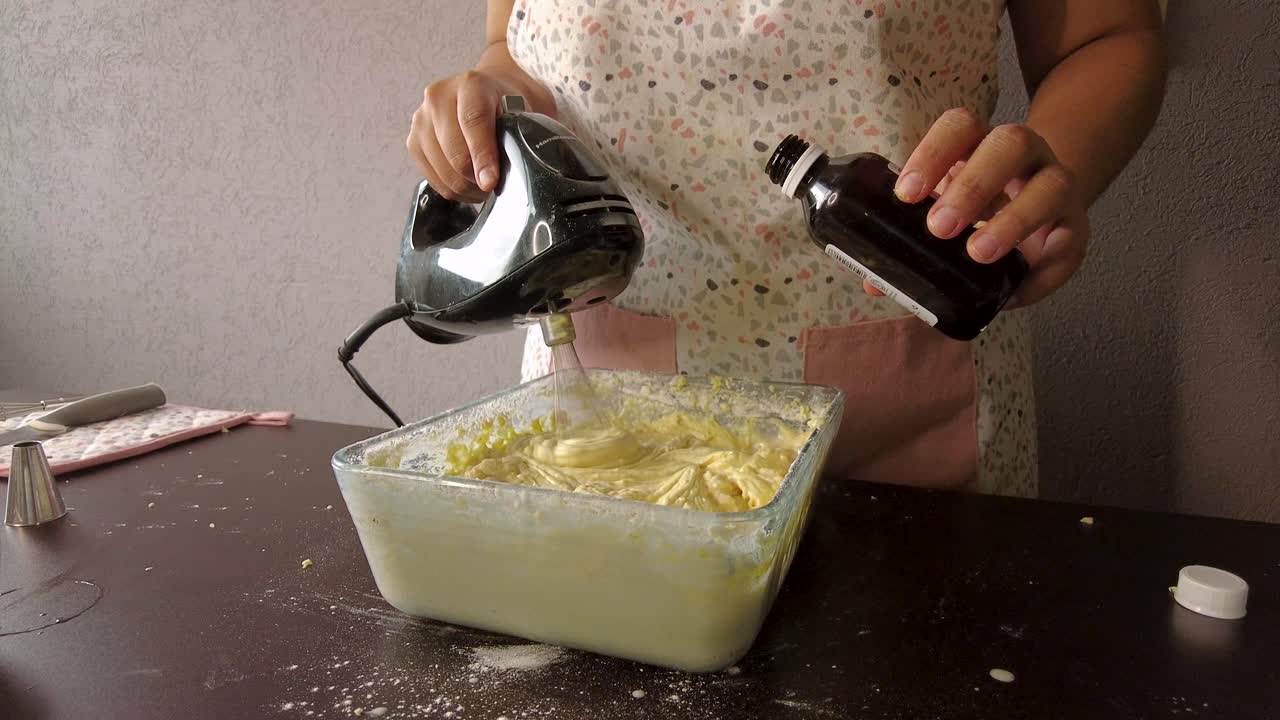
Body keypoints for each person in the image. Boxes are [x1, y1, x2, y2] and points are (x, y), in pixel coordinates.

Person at [406, 0, 1167, 496]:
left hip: (908, 390)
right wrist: (485, 96)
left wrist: (1049, 168)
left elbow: (1106, 38)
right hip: (607, 407)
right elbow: (517, 42)